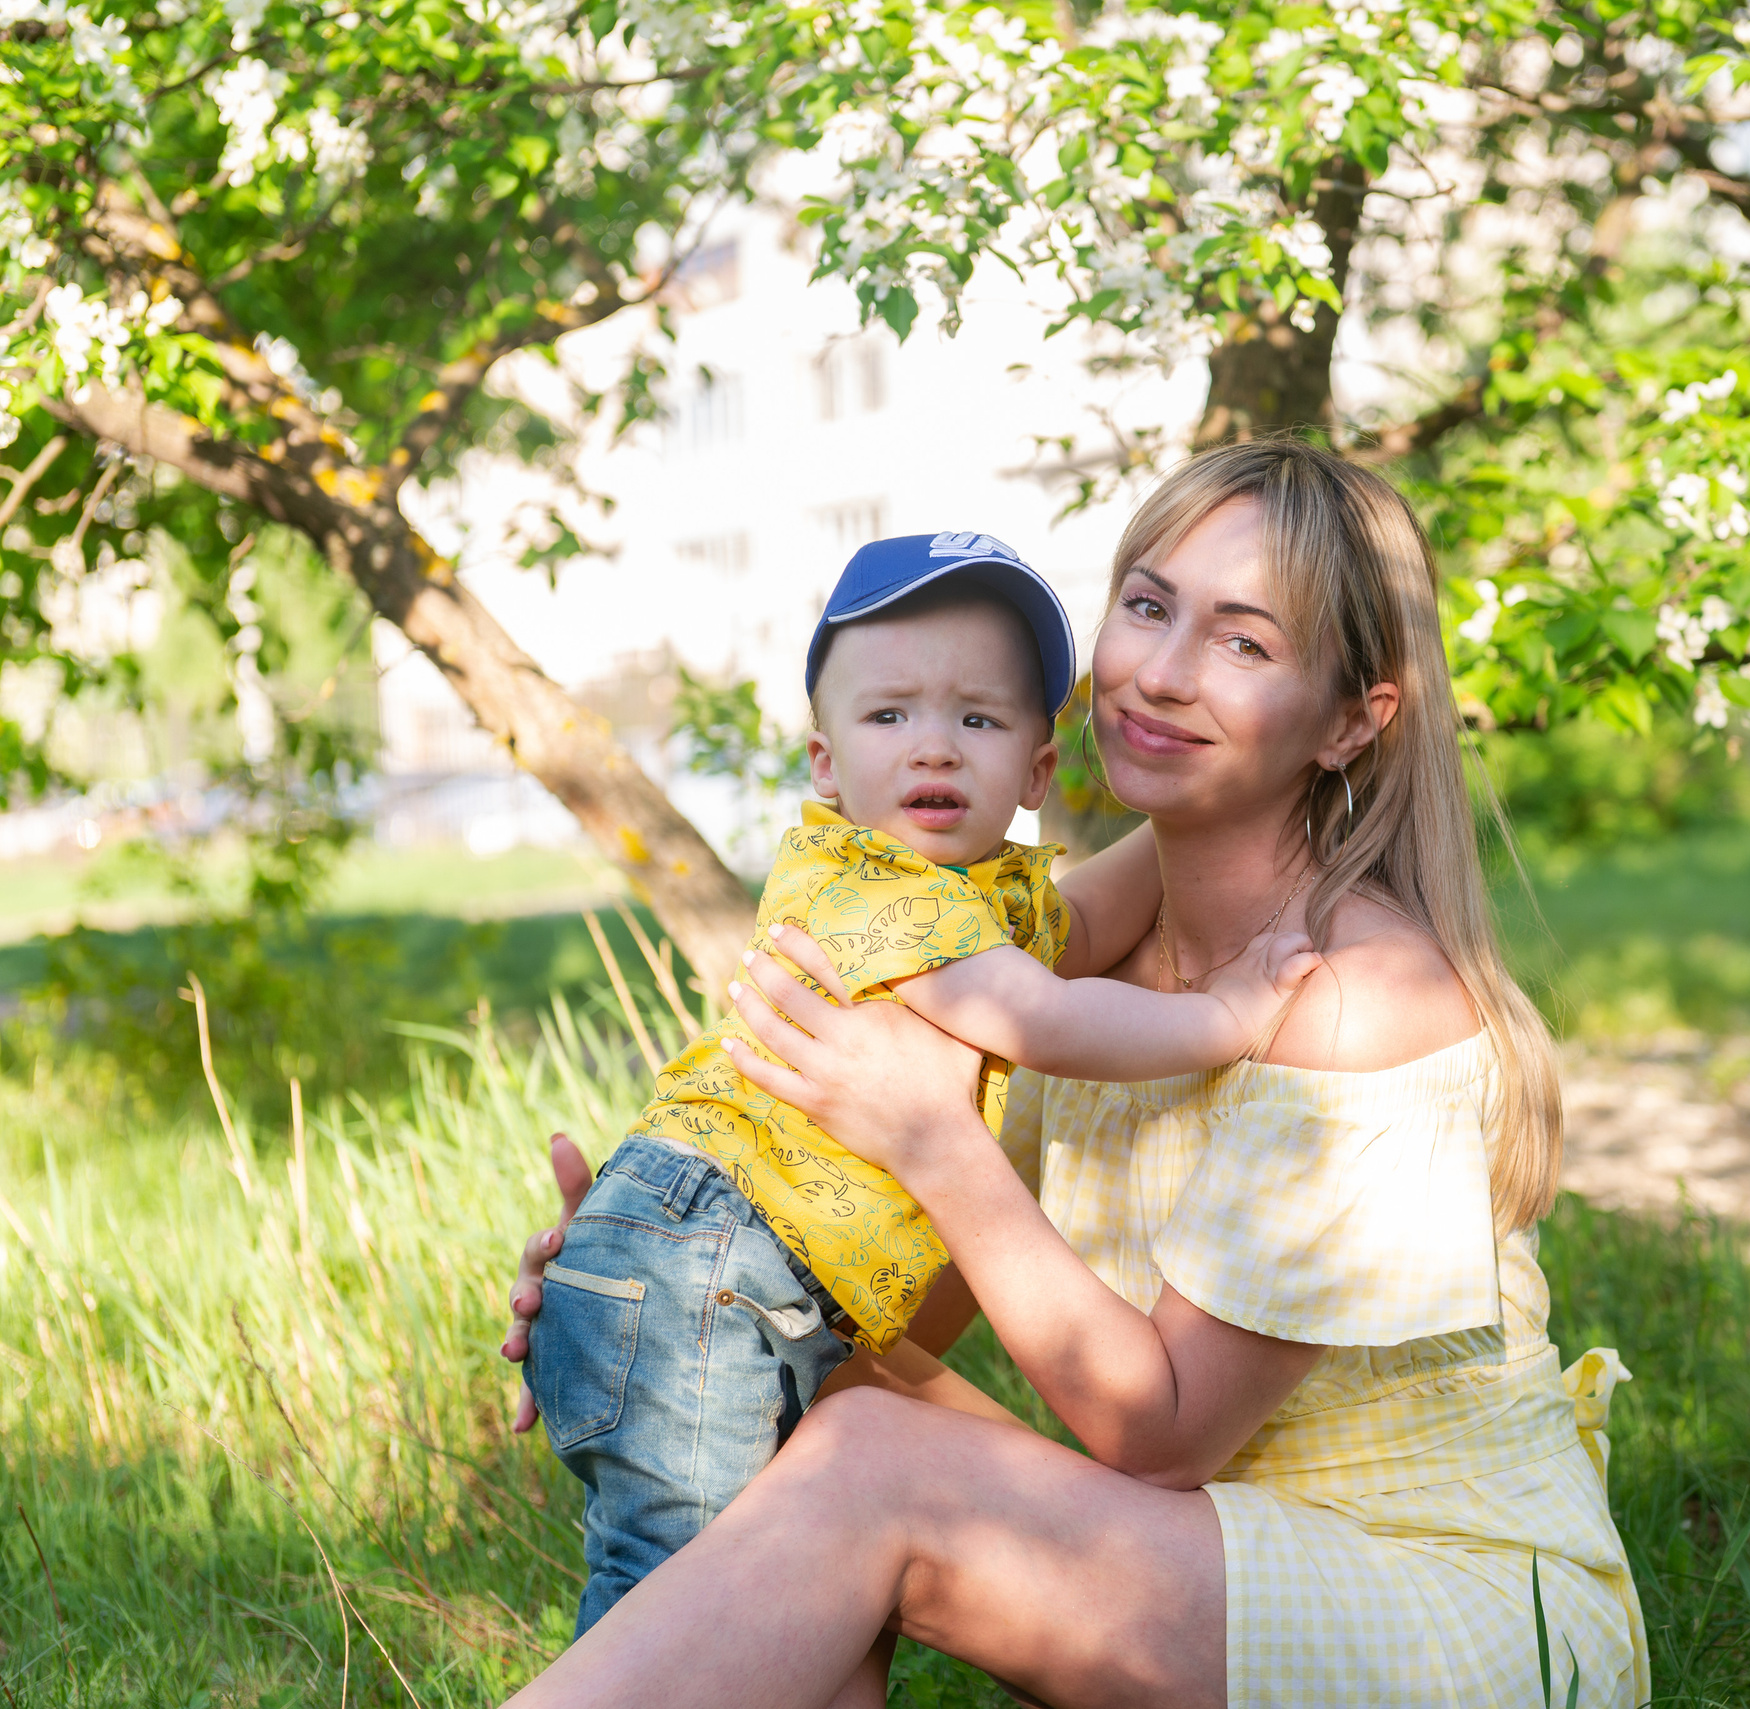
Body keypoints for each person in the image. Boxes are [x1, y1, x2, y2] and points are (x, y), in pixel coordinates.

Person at [501, 441, 1648, 1707]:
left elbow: (1155, 1434)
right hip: (1207, 1558)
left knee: (874, 1463)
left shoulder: (1356, 989)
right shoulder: (1081, 930)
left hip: (1456, 1612)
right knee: (782, 1374)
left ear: (1348, 720)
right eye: (1148, 605)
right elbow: (891, 1313)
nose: (1157, 672)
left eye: (1242, 642)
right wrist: (669, 1272)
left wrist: (933, 1138)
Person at [519, 529, 1317, 1633]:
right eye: (889, 715)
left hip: (733, 1276)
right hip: (705, 1262)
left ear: (1037, 771)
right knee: (681, 1600)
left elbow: (1083, 924)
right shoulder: (870, 883)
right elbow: (1042, 1013)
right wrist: (1226, 1016)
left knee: (788, 1593)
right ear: (825, 764)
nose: (933, 747)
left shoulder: (982, 895)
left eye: (977, 719)